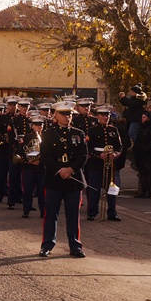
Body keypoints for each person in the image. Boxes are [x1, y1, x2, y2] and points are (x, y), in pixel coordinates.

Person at [39, 101, 88, 258]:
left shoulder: (78, 133)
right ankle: (47, 245)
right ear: (56, 115)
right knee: (51, 213)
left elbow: (83, 155)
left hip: (73, 179)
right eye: (64, 114)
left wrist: (71, 169)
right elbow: (45, 157)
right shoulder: (48, 134)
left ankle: (75, 245)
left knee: (73, 214)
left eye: (70, 114)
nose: (68, 117)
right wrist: (60, 170)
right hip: (55, 179)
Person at [84, 105, 123, 221]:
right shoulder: (92, 130)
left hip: (110, 162)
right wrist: (98, 155)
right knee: (94, 189)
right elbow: (88, 147)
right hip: (96, 163)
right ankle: (92, 212)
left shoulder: (113, 130)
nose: (105, 117)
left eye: (107, 115)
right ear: (97, 116)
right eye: (102, 115)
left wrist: (115, 154)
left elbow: (119, 146)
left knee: (111, 189)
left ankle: (112, 212)